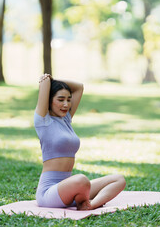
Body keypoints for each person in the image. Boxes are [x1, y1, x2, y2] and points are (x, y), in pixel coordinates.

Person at [34, 74, 126, 210]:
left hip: (70, 188)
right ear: (49, 100)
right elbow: (45, 84)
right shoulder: (43, 122)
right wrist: (48, 81)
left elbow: (79, 87)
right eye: (60, 100)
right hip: (49, 193)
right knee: (82, 180)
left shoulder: (65, 120)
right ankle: (82, 199)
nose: (66, 104)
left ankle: (89, 205)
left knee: (119, 179)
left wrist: (55, 81)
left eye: (68, 100)